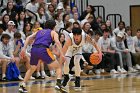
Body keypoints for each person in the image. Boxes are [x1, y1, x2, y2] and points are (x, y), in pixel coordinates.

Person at [19, 20, 67, 93]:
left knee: (32, 68)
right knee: (58, 67)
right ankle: (58, 84)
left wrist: (24, 48)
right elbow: (57, 42)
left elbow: (28, 37)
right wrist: (62, 54)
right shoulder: (53, 32)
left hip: (34, 49)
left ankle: (22, 85)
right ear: (53, 27)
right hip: (43, 49)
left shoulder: (39, 31)